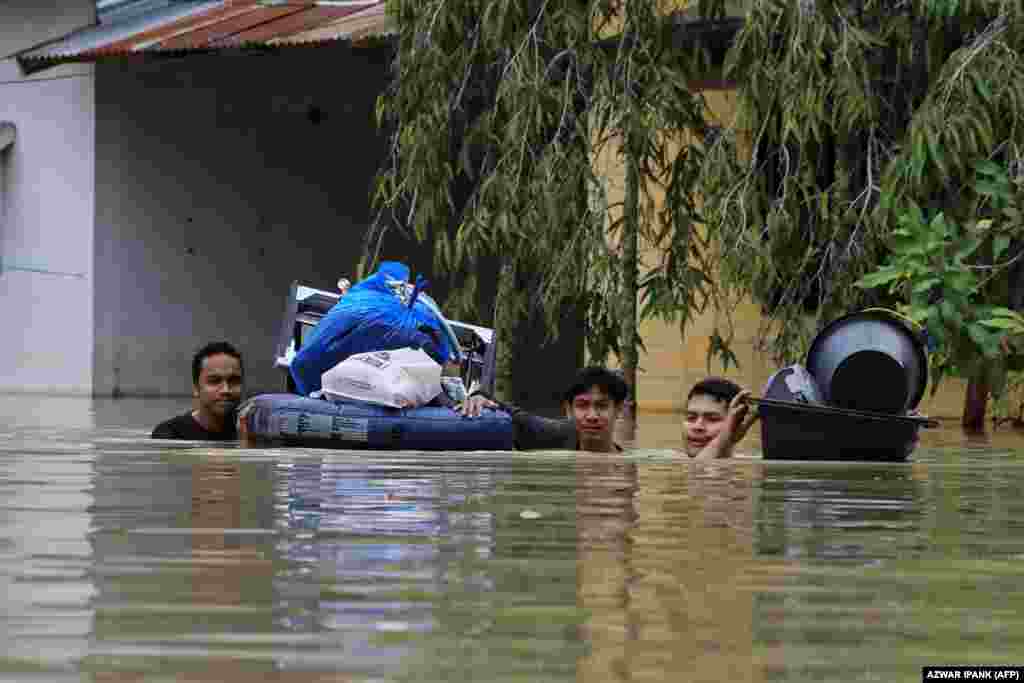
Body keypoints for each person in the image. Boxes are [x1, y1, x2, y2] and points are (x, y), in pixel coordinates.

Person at [458, 366, 628, 453]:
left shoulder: (629, 468)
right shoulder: (555, 436)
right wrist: (479, 397)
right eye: (582, 405)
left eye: (602, 406)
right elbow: (517, 417)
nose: (592, 416)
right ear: (568, 409)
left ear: (618, 409)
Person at [152, 341, 244, 441]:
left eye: (234, 381)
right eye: (214, 381)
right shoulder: (170, 433)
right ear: (196, 388)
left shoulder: (255, 429)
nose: (226, 390)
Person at [682, 377, 758, 459]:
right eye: (691, 418)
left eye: (712, 419)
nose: (697, 426)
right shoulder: (670, 457)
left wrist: (725, 436)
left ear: (738, 426)